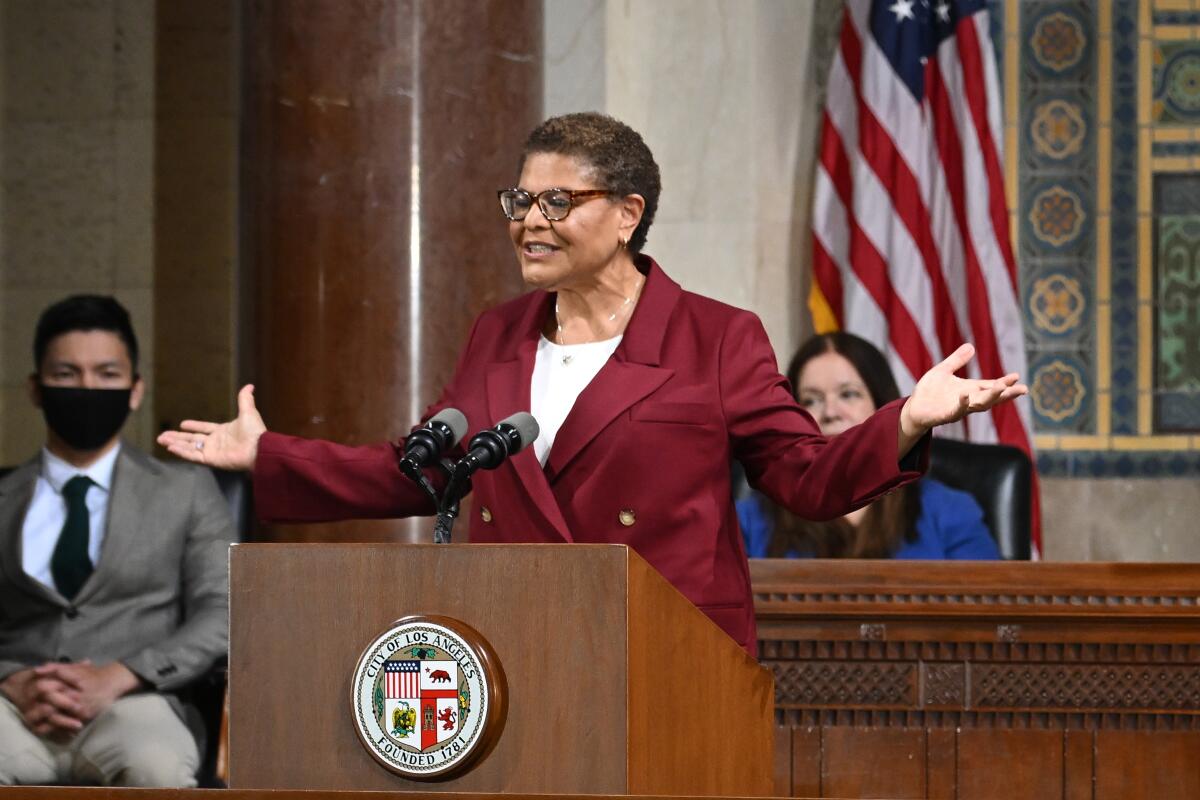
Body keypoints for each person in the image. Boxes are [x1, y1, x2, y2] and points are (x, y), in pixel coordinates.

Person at [158, 112, 1024, 656]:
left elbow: (803, 476)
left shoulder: (717, 335)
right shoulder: (497, 332)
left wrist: (908, 416)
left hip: (664, 654)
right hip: (512, 644)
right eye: (519, 201)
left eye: (556, 203)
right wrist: (268, 455)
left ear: (628, 214)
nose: (529, 223)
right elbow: (419, 471)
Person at [0, 295, 233, 787]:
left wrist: (123, 674)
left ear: (134, 390)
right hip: (14, 706)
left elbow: (224, 608)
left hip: (137, 702)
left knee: (158, 768)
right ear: (37, 389)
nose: (87, 387)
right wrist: (12, 680)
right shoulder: (4, 498)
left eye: (106, 374)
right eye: (66, 374)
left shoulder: (186, 490)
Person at [738, 332, 1000, 560]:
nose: (830, 412)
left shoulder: (950, 511)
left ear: (882, 404)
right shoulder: (750, 520)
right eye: (811, 400)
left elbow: (991, 607)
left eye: (848, 394)